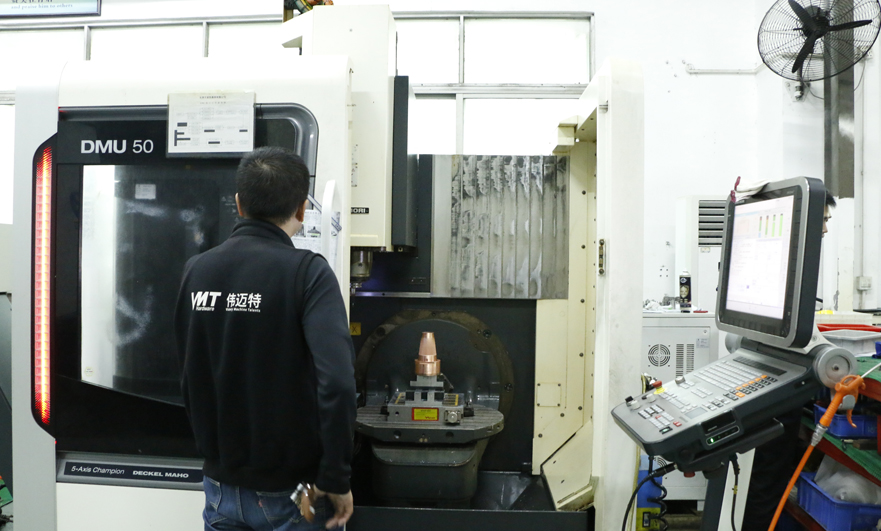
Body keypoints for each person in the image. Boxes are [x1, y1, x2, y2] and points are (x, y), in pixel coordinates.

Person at [175, 146, 356, 531]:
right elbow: (338, 383)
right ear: (302, 209)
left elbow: (190, 372)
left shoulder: (197, 270)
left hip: (219, 488)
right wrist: (336, 476)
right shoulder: (308, 273)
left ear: (239, 204)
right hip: (293, 492)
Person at [741, 190, 836, 530]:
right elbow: (801, 334)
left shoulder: (774, 256)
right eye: (822, 219)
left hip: (763, 375)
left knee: (762, 478)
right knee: (768, 479)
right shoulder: (789, 263)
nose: (825, 228)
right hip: (781, 385)